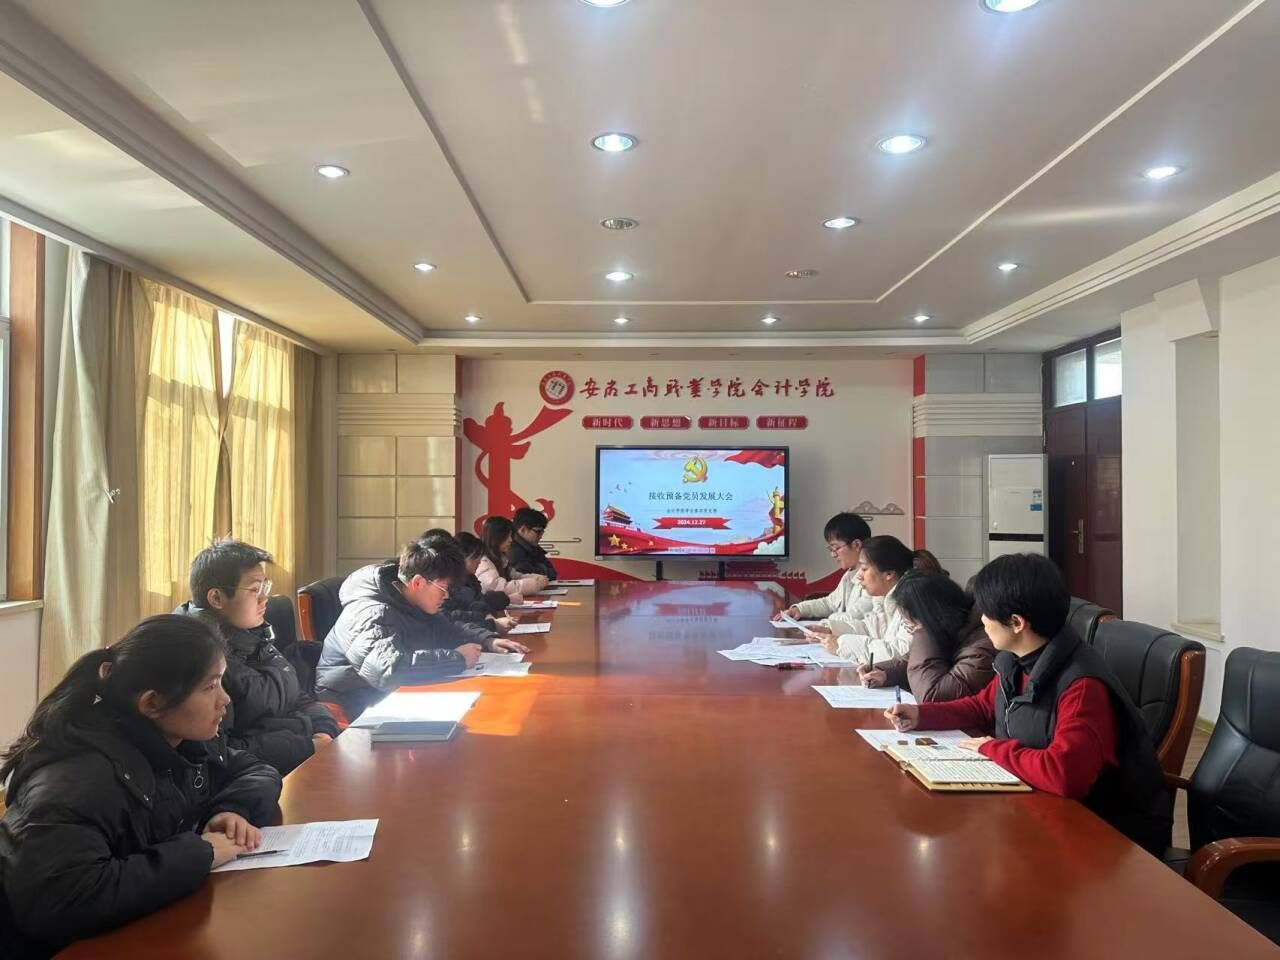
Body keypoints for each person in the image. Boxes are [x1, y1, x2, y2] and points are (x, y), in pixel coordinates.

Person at [0, 616, 282, 959]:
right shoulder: (76, 781)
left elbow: (256, 770)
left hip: (151, 928)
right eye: (210, 687)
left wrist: (231, 810)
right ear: (151, 703)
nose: (225, 699)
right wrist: (199, 853)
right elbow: (61, 903)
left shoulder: (183, 739)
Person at [884, 553, 1172, 855]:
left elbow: (1064, 774)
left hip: (1105, 837)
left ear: (1017, 623)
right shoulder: (1016, 660)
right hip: (1039, 808)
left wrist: (991, 749)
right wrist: (921, 715)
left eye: (987, 613)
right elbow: (982, 706)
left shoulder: (1082, 685)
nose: (981, 621)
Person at [315, 537, 528, 719]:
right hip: (350, 704)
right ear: (418, 582)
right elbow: (389, 671)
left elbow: (447, 629)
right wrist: (457, 659)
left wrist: (488, 640)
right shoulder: (369, 612)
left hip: (391, 696)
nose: (447, 596)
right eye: (443, 588)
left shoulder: (411, 599)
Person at [176, 539, 339, 775]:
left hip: (301, 756)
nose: (265, 599)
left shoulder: (254, 635)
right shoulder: (201, 660)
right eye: (255, 590)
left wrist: (325, 728)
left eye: (265, 587)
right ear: (217, 598)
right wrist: (305, 747)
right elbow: (222, 752)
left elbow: (297, 695)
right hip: (259, 775)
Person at [857, 569, 995, 702]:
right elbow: (916, 661)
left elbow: (931, 695)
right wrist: (884, 673)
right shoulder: (953, 631)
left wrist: (924, 631)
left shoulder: (980, 649)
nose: (910, 630)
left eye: (909, 624)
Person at [811, 535, 926, 665]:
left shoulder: (913, 601)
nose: (859, 576)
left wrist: (841, 645)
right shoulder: (887, 598)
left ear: (889, 574)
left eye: (864, 569)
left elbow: (899, 654)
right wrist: (832, 629)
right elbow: (872, 628)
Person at [779, 512, 874, 625]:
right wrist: (799, 609)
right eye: (831, 549)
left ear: (857, 545)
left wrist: (824, 623)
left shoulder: (873, 577)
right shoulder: (849, 574)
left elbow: (854, 618)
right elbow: (830, 603)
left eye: (836, 548)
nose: (833, 555)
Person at [420, 530, 516, 637]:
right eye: (475, 557)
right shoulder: (427, 589)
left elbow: (473, 605)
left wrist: (489, 622)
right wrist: (491, 625)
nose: (479, 562)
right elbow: (449, 621)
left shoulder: (463, 579)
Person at [477, 515, 549, 601]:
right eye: (507, 536)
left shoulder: (500, 558)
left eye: (511, 536)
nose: (510, 540)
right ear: (495, 537)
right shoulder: (483, 561)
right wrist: (535, 584)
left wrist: (536, 578)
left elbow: (515, 576)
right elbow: (500, 588)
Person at [508, 507, 557, 580]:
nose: (541, 536)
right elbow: (525, 574)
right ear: (523, 529)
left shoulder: (533, 547)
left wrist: (537, 569)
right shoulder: (512, 550)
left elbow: (553, 573)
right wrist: (543, 569)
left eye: (542, 532)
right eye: (538, 532)